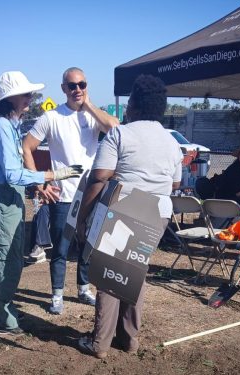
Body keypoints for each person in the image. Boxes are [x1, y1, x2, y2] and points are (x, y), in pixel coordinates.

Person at [75, 74, 183, 358]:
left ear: (133, 104)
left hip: (126, 207)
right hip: (158, 213)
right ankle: (129, 338)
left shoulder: (121, 134)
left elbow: (98, 178)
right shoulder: (171, 142)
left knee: (110, 273)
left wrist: (82, 217)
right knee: (136, 271)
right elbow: (175, 184)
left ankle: (99, 343)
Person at [0, 70, 83, 337]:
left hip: (9, 200)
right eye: (26, 94)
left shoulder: (9, 124)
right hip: (3, 202)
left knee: (13, 259)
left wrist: (39, 184)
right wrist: (53, 174)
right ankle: (5, 320)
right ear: (12, 98)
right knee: (7, 261)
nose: (30, 97)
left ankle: (3, 312)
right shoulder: (3, 126)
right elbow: (12, 174)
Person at [22, 67, 119, 315]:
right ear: (63, 88)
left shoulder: (94, 116)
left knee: (89, 245)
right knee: (61, 249)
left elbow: (115, 128)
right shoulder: (51, 117)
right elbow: (27, 147)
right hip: (62, 195)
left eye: (82, 84)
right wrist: (39, 183)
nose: (78, 89)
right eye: (72, 85)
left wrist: (88, 106)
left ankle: (83, 288)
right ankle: (57, 295)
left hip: (92, 194)